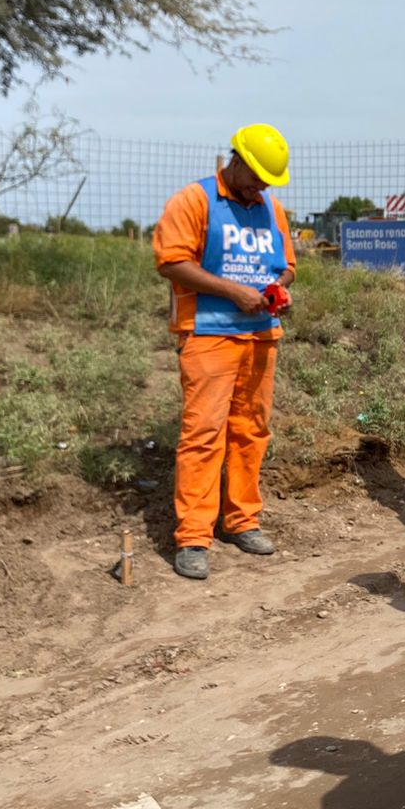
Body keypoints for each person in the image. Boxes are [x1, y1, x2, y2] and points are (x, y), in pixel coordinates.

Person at [152, 124, 297, 581]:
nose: (261, 187)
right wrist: (234, 292)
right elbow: (171, 262)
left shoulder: (271, 207)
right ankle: (193, 536)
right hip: (208, 335)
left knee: (251, 431)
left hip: (259, 335)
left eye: (267, 181)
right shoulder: (194, 201)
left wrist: (279, 289)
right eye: (255, 177)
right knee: (203, 434)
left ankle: (241, 520)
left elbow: (288, 265)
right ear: (234, 161)